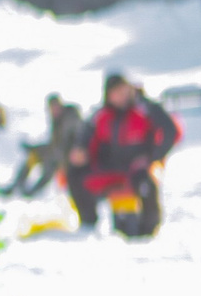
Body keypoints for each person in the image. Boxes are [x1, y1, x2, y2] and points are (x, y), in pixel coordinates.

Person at [68, 73, 180, 236]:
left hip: (137, 168)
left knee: (146, 184)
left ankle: (147, 232)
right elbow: (84, 137)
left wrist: (152, 157)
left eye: (124, 91)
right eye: (116, 92)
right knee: (74, 174)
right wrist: (80, 151)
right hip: (109, 168)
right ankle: (88, 223)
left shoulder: (144, 109)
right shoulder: (101, 115)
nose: (121, 96)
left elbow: (170, 131)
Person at [7, 93, 84, 198]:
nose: (54, 110)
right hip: (58, 155)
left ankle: (30, 192)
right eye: (51, 108)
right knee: (34, 156)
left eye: (56, 107)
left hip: (69, 160)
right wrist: (35, 147)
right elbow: (54, 144)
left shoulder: (70, 118)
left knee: (49, 167)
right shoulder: (56, 121)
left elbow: (72, 142)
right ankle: (18, 186)